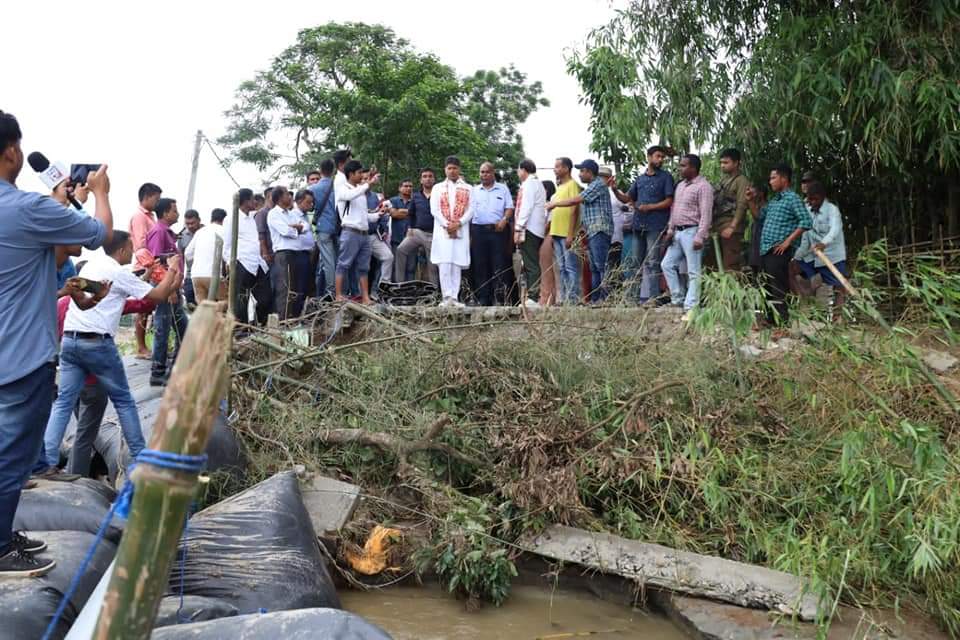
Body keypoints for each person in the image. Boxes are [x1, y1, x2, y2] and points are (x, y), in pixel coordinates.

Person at [0, 110, 118, 575]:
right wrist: (100, 195)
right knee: (12, 459)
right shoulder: (26, 208)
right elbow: (98, 235)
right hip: (20, 356)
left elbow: (38, 260)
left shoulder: (29, 211)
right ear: (12, 151)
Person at [42, 232, 182, 486]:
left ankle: (48, 461)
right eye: (130, 248)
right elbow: (159, 297)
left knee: (64, 403)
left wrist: (147, 276)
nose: (131, 253)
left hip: (71, 343)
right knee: (124, 402)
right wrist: (172, 269)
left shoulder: (94, 266)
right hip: (97, 343)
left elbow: (100, 297)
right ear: (123, 250)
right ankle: (141, 460)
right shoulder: (117, 272)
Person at [609, 145, 673, 304]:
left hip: (655, 225)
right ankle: (631, 299)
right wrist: (615, 190)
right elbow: (627, 198)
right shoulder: (640, 179)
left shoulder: (666, 177)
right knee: (634, 263)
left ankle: (653, 299)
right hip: (638, 226)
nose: (661, 159)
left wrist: (650, 207)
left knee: (653, 262)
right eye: (658, 156)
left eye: (662, 157)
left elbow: (669, 201)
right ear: (649, 157)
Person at [546, 159, 613, 303]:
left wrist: (555, 204)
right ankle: (596, 299)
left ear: (589, 172)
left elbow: (574, 201)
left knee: (601, 266)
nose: (580, 174)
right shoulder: (592, 186)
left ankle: (605, 299)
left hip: (599, 229)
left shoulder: (598, 185)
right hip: (592, 231)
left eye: (582, 171)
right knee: (595, 267)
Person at [660, 154, 714, 319]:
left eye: (683, 165)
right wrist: (670, 230)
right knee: (667, 264)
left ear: (693, 168)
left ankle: (691, 306)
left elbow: (706, 213)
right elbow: (674, 210)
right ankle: (678, 299)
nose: (680, 168)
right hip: (677, 232)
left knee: (693, 271)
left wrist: (700, 236)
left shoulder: (703, 186)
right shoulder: (681, 186)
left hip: (692, 231)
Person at [760, 163, 813, 327]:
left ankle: (782, 323)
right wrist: (750, 201)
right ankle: (770, 320)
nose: (770, 181)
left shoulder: (793, 198)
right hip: (766, 249)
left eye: (773, 178)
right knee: (767, 286)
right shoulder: (774, 201)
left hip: (779, 250)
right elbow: (759, 216)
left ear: (784, 179)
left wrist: (787, 242)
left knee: (779, 286)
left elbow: (806, 221)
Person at [146, 198, 189, 386]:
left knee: (183, 328)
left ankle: (174, 369)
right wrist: (168, 288)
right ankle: (158, 372)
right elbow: (155, 264)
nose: (178, 214)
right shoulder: (159, 232)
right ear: (165, 213)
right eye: (174, 210)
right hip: (166, 289)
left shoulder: (168, 233)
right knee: (163, 328)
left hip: (173, 288)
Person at [794, 181, 847, 316]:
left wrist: (824, 243)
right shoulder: (808, 211)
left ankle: (837, 318)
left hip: (833, 255)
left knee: (839, 286)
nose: (811, 202)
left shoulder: (832, 210)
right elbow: (806, 236)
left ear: (822, 197)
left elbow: (835, 230)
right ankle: (810, 306)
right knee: (793, 268)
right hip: (813, 255)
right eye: (809, 199)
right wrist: (798, 256)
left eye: (814, 199)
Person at [223, 188, 272, 326]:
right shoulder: (232, 218)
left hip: (257, 262)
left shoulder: (252, 218)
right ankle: (243, 331)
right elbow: (227, 244)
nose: (255, 202)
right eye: (252, 199)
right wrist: (230, 263)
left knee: (265, 297)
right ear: (245, 201)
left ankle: (261, 324)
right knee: (241, 300)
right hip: (242, 262)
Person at [335, 160, 382, 303]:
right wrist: (369, 184)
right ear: (351, 174)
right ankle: (338, 295)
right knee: (343, 264)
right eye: (359, 172)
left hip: (364, 234)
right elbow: (349, 196)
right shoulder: (342, 188)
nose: (362, 175)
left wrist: (378, 214)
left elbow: (364, 216)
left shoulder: (359, 191)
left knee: (364, 267)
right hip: (350, 232)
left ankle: (365, 297)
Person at [430, 157, 475, 307]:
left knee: (456, 263)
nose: (452, 171)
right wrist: (447, 224)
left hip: (460, 230)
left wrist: (459, 223)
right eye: (449, 168)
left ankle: (454, 297)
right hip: (443, 231)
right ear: (445, 170)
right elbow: (434, 210)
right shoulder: (437, 188)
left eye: (455, 168)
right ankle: (446, 297)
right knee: (444, 263)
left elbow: (471, 209)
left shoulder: (468, 188)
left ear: (459, 169)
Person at [470, 162, 514, 306]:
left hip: (498, 231)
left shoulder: (503, 189)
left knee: (499, 264)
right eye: (482, 172)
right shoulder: (474, 190)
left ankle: (499, 299)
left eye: (487, 172)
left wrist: (505, 220)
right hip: (478, 231)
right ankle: (483, 298)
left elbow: (509, 208)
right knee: (480, 265)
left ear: (493, 173)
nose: (484, 175)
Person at [268, 187, 311, 319]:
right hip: (283, 255)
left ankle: (295, 319)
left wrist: (296, 228)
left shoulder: (291, 213)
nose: (290, 197)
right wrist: (297, 229)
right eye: (287, 194)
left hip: (296, 254)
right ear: (280, 198)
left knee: (297, 288)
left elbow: (306, 227)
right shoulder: (273, 214)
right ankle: (283, 321)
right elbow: (285, 231)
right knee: (285, 289)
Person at [130, 182, 162, 358]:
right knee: (143, 309)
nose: (157, 203)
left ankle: (144, 347)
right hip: (145, 267)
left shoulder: (151, 216)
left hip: (152, 266)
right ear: (148, 197)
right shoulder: (140, 217)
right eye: (156, 199)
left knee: (149, 308)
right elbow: (142, 245)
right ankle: (141, 348)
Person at [395, 168, 439, 284]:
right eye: (425, 176)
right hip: (417, 232)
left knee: (432, 265)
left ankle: (434, 292)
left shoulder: (439, 194)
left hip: (433, 234)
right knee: (400, 250)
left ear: (434, 179)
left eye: (430, 176)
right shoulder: (416, 196)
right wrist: (410, 227)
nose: (427, 178)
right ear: (421, 180)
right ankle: (399, 284)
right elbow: (411, 214)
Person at [710, 148, 750, 272]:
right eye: (721, 163)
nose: (722, 166)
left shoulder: (741, 180)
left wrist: (732, 227)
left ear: (736, 163)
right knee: (714, 264)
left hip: (731, 226)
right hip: (718, 225)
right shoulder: (723, 180)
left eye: (726, 163)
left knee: (730, 264)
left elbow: (742, 205)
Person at [514, 158, 547, 308]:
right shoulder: (537, 184)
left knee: (531, 263)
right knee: (530, 262)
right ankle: (531, 296)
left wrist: (518, 227)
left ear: (523, 170)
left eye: (518, 170)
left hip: (529, 228)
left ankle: (533, 297)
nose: (518, 173)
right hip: (536, 229)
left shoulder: (528, 185)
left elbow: (525, 208)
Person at [549, 158, 582, 305]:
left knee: (570, 267)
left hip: (567, 233)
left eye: (557, 167)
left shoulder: (572, 185)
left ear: (566, 168)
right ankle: (565, 298)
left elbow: (574, 209)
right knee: (561, 268)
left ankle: (573, 299)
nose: (554, 169)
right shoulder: (560, 187)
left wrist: (570, 234)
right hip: (556, 232)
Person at [185, 208, 227, 302]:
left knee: (203, 308)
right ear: (224, 220)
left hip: (196, 275)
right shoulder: (224, 230)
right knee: (225, 302)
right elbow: (227, 255)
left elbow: (188, 254)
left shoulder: (200, 231)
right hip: (214, 275)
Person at [310, 159, 338, 298]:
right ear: (333, 170)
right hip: (338, 228)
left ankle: (331, 291)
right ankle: (341, 291)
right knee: (339, 260)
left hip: (323, 227)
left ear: (320, 171)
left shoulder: (313, 189)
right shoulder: (338, 186)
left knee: (328, 261)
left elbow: (309, 206)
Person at [178, 209, 202, 305]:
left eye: (193, 223)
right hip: (189, 276)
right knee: (190, 304)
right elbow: (180, 258)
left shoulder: (206, 233)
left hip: (204, 275)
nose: (190, 226)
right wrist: (180, 278)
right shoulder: (182, 236)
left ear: (199, 220)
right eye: (187, 224)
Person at [387, 179, 414, 257]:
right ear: (399, 188)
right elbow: (394, 214)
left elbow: (418, 215)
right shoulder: (393, 200)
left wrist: (400, 210)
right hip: (396, 238)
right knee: (396, 265)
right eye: (406, 186)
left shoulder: (415, 201)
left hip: (411, 239)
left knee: (411, 267)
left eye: (410, 186)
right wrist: (411, 213)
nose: (408, 188)